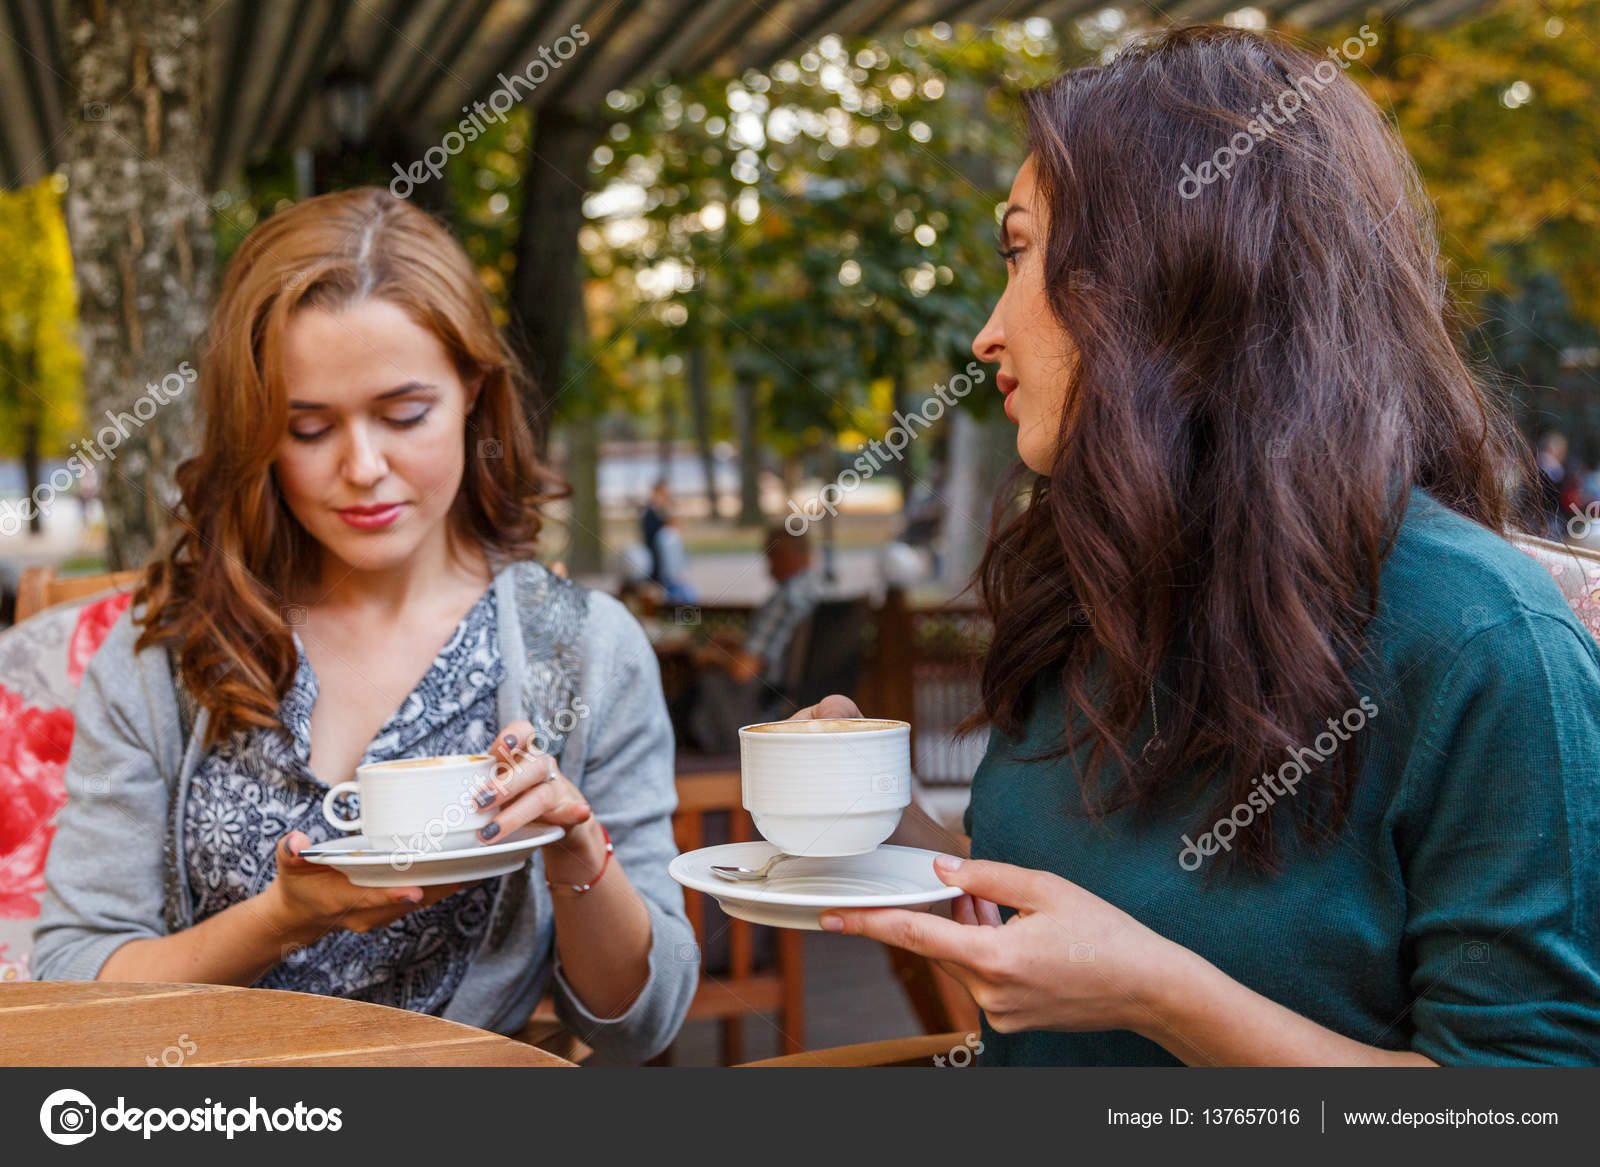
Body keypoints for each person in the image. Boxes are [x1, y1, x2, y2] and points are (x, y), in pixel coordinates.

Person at [799, 26, 1600, 1065]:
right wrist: (891, 839)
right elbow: (1064, 925)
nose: (985, 332)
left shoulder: (1484, 645)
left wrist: (1164, 996)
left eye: (1022, 254)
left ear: (1175, 276)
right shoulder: (1093, 587)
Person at [31, 189, 696, 1063]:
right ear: (259, 434)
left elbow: (641, 1023)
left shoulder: (586, 651)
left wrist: (577, 853)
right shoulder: (168, 649)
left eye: (404, 414)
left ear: (471, 390)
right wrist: (277, 919)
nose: (364, 469)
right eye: (308, 428)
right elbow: (73, 979)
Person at [685, 525, 821, 752]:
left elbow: (745, 670)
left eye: (770, 558)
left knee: (706, 678)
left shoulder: (785, 599)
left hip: (765, 701)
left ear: (783, 556)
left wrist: (711, 657)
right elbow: (776, 645)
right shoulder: (817, 591)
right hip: (804, 693)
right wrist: (738, 641)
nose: (767, 568)